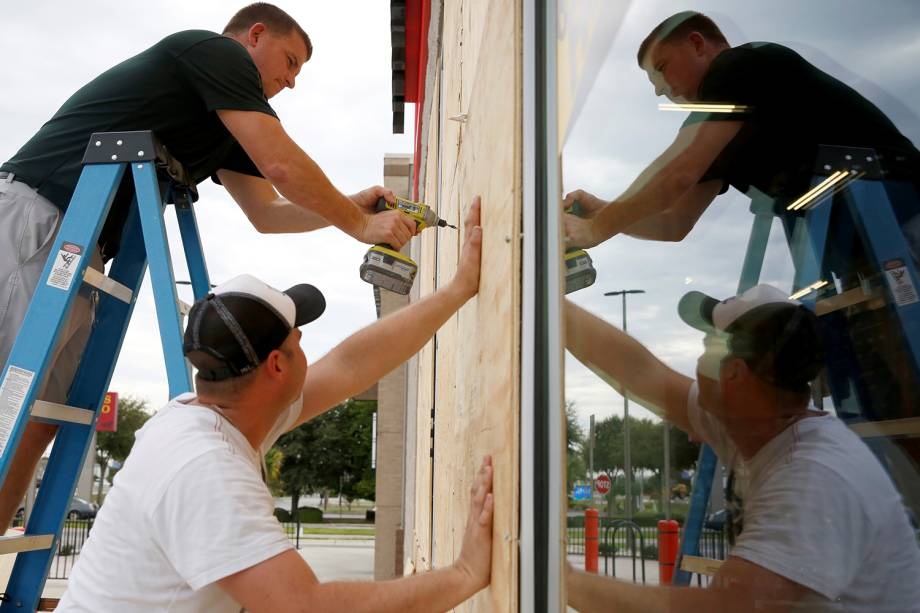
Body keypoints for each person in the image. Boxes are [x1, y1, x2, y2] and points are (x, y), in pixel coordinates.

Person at [0, 3, 418, 530]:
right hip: (38, 217)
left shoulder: (220, 124)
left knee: (40, 422)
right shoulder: (213, 51)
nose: (290, 82)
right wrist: (360, 228)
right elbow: (282, 164)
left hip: (84, 251)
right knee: (5, 402)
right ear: (255, 36)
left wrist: (350, 206)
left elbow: (266, 212)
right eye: (289, 62)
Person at [57, 198, 491, 612]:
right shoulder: (204, 468)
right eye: (295, 335)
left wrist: (457, 290)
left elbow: (350, 364)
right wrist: (465, 574)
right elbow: (305, 607)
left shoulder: (212, 416)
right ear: (278, 366)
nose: (303, 338)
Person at [564, 285, 920, 612]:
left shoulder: (814, 477)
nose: (699, 357)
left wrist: (566, 583)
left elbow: (726, 609)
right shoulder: (750, 421)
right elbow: (638, 372)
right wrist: (550, 304)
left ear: (732, 374)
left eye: (707, 345)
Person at [562, 11, 920, 247]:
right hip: (863, 230)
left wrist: (598, 228)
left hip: (898, 206)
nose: (660, 88)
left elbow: (678, 174)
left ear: (697, 44)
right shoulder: (723, 125)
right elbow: (674, 222)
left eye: (662, 68)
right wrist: (604, 211)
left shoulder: (740, 66)